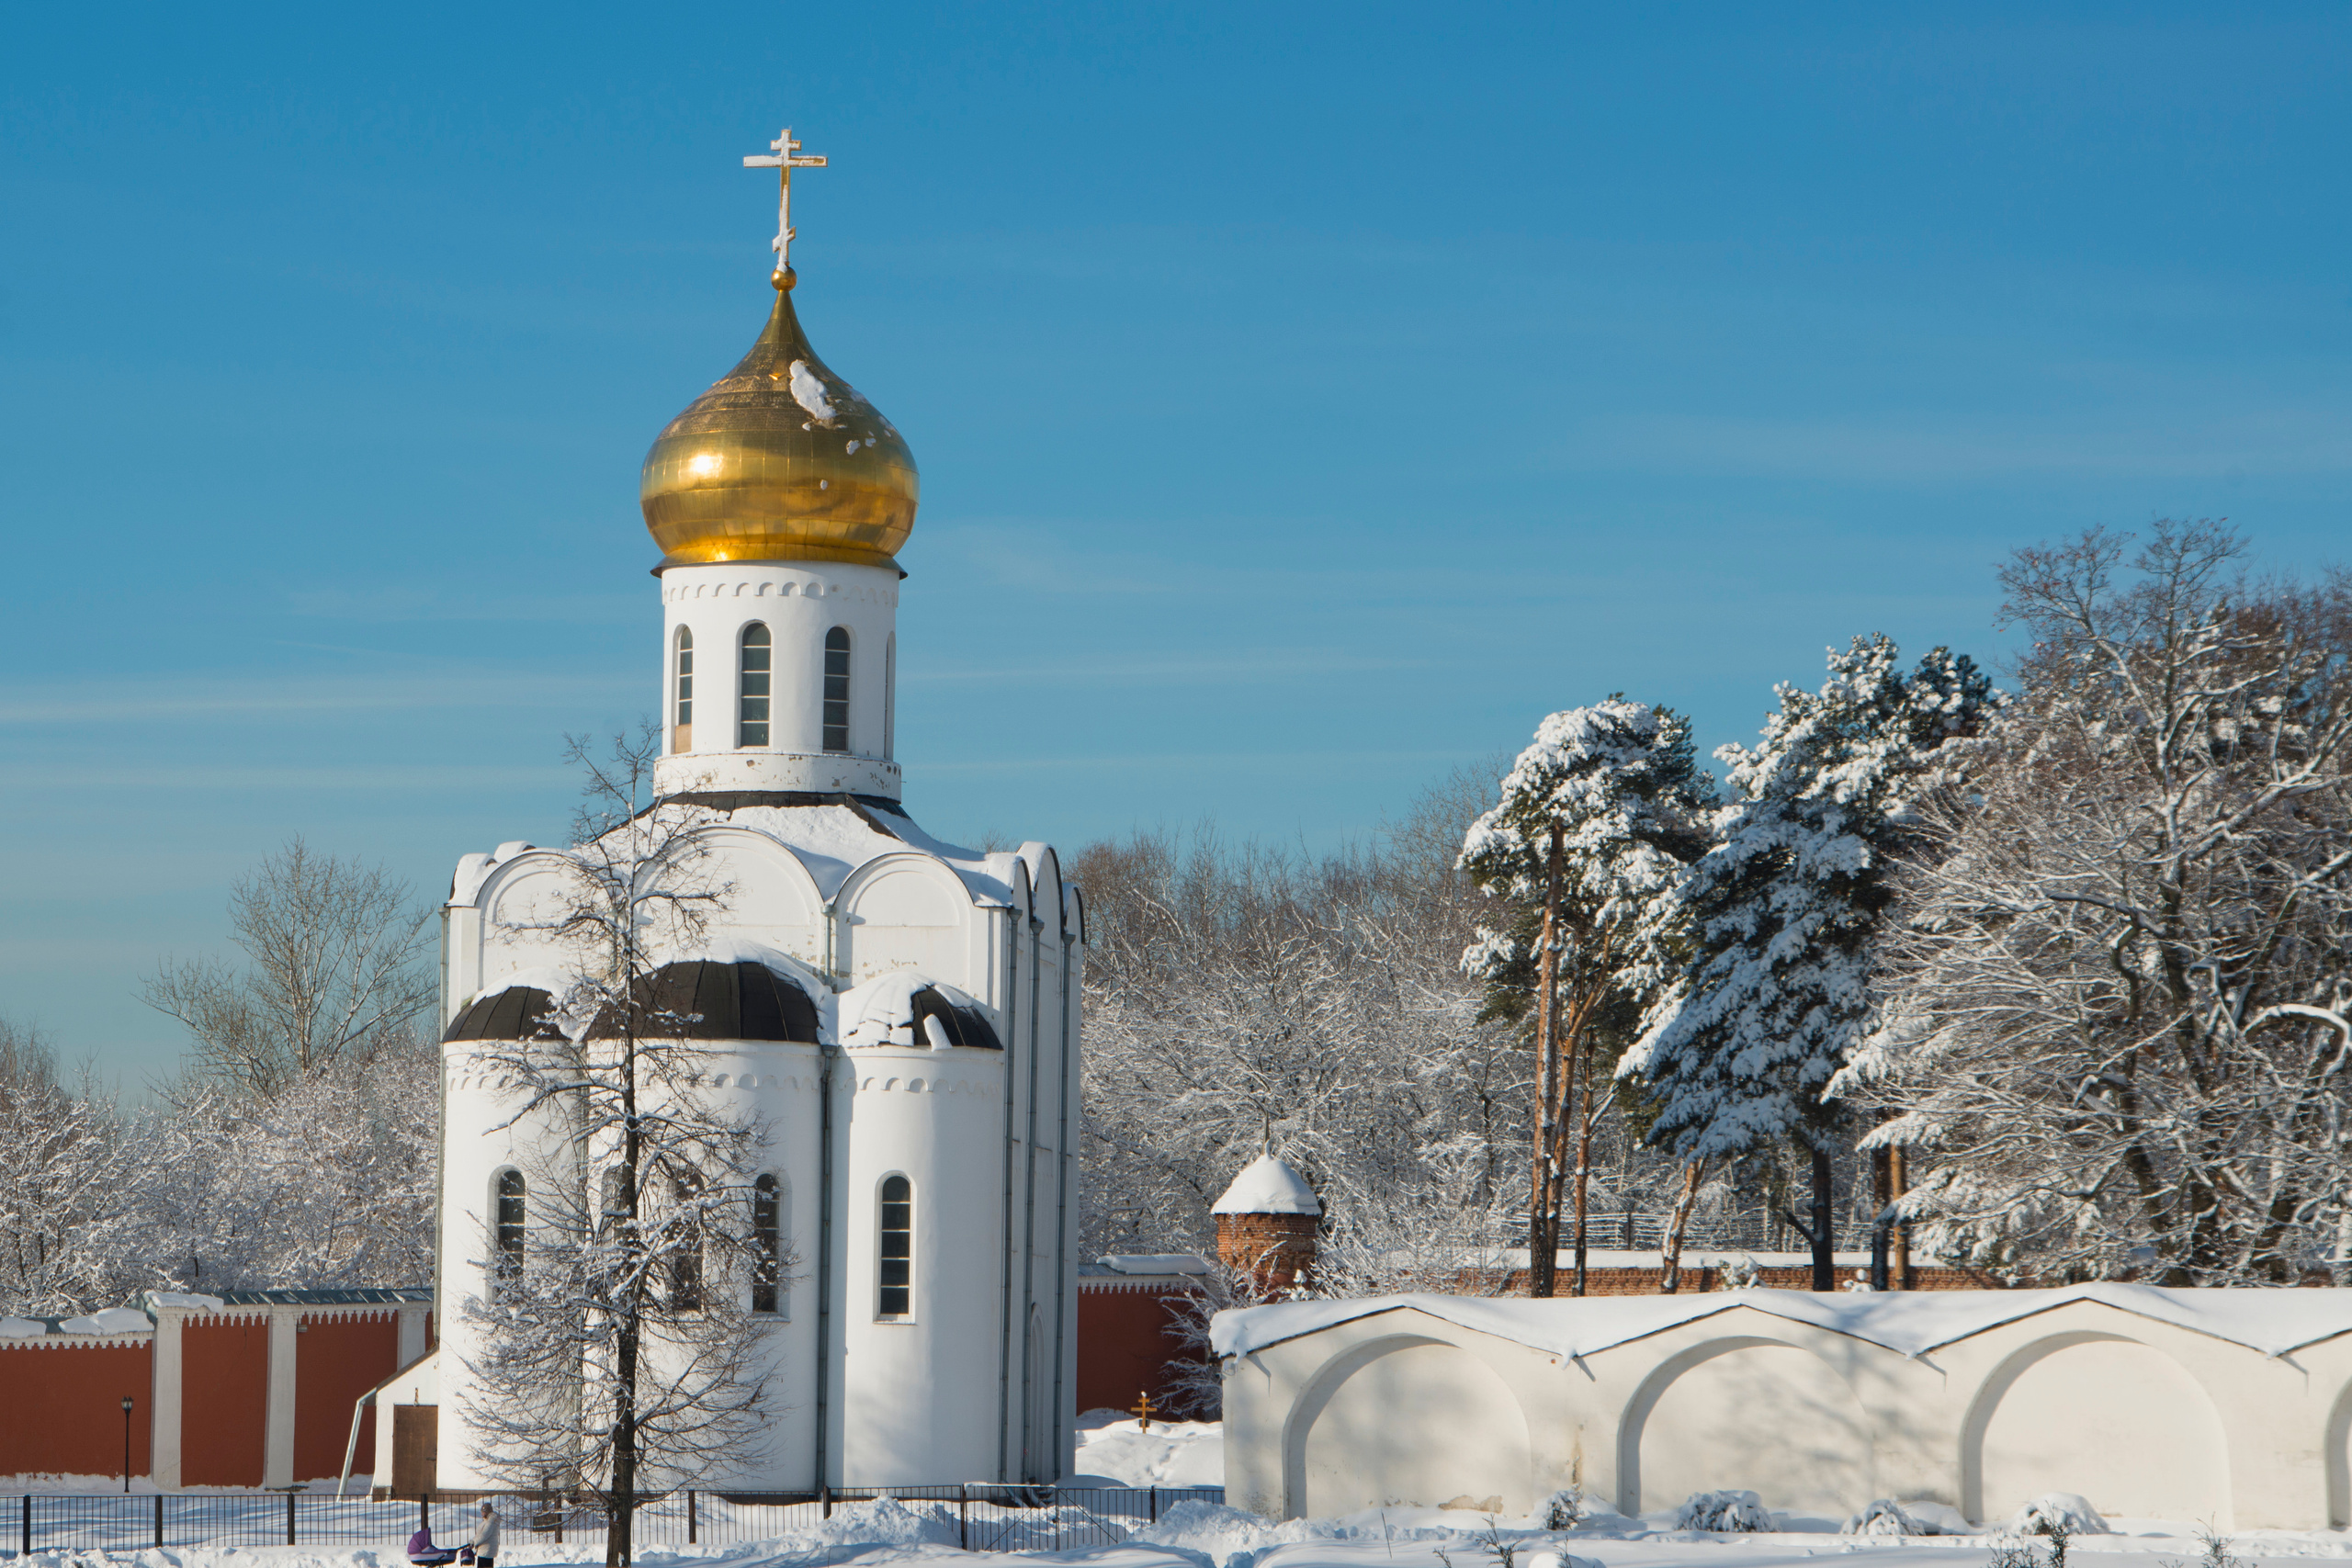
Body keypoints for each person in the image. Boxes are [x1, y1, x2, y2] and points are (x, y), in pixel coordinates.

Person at [469, 1502, 500, 1568]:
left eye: (483, 1512)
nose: (482, 1514)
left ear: (487, 1512)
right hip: (484, 1550)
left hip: (486, 1551)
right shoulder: (488, 1521)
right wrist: (473, 1541)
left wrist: (474, 1542)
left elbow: (484, 1535)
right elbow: (480, 1534)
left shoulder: (490, 1522)